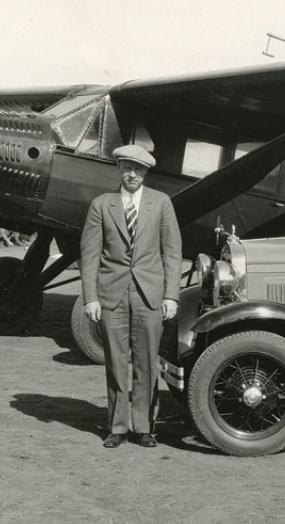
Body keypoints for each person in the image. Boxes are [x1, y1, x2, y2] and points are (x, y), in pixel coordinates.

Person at [79, 145, 182, 449]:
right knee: (115, 361)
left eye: (138, 169)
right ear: (119, 169)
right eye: (126, 168)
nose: (132, 174)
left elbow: (173, 252)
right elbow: (89, 254)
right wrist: (90, 297)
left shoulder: (161, 203)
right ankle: (117, 427)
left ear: (146, 172)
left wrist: (171, 296)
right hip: (111, 296)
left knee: (147, 363)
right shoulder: (102, 205)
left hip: (150, 296)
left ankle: (144, 427)